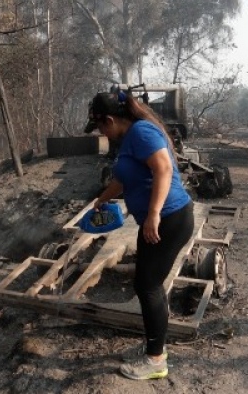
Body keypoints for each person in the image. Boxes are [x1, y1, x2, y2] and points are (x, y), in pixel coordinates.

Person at [83, 90, 194, 381]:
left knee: (148, 286)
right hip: (158, 220)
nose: (102, 133)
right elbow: (123, 178)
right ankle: (154, 347)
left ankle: (156, 360)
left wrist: (154, 213)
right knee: (146, 283)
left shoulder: (142, 132)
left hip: (168, 219)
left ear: (109, 120)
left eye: (100, 128)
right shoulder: (131, 138)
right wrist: (101, 199)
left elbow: (164, 168)